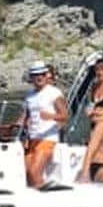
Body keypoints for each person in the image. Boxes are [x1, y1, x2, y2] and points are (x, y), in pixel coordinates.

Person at [23, 60, 69, 188]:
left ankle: (45, 201)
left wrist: (51, 116)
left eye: (42, 74)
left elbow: (65, 116)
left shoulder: (54, 93)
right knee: (26, 173)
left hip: (48, 138)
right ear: (31, 77)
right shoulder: (29, 95)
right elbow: (26, 117)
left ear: (45, 75)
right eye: (36, 75)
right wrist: (13, 125)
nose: (39, 77)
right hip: (32, 138)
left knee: (34, 172)